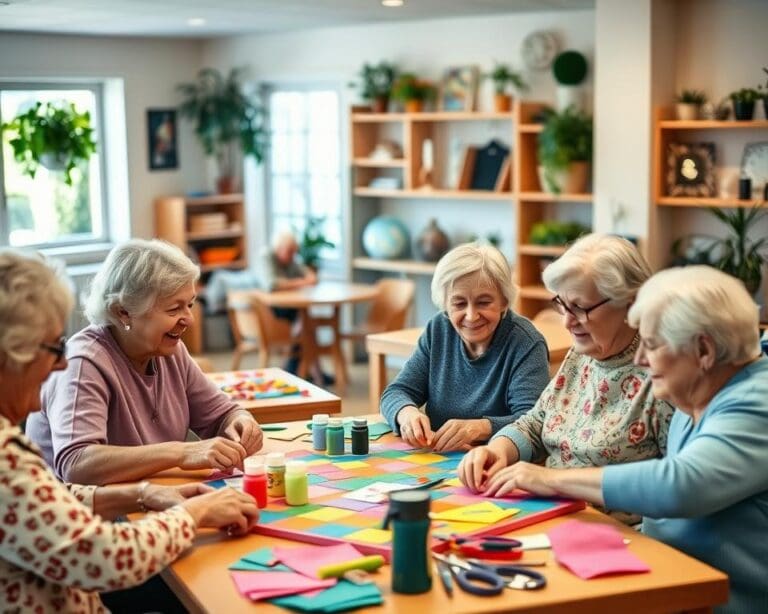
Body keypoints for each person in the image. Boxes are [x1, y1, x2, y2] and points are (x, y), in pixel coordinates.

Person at [475, 266, 767, 613]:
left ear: (704, 351)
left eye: (653, 345)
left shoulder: (755, 402)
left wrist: (548, 479)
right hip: (662, 578)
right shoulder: (699, 394)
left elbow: (680, 486)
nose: (641, 359)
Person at [0, 248, 259, 611]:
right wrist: (193, 511)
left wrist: (143, 494)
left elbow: (56, 499)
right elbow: (102, 558)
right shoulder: (6, 458)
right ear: (10, 354)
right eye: (52, 346)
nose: (60, 363)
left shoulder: (8, 450)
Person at [458, 234, 674, 522]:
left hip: (614, 534)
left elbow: (676, 488)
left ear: (630, 303)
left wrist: (548, 479)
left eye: (580, 308)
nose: (567, 321)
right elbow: (537, 423)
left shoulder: (665, 375)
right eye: (562, 304)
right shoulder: (583, 353)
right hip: (552, 513)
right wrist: (498, 450)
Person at [26, 239, 264, 485]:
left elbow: (221, 415)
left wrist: (241, 422)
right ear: (123, 312)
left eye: (190, 305)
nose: (189, 319)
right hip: (79, 516)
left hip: (142, 499)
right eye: (174, 309)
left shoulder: (171, 352)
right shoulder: (82, 363)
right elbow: (76, 464)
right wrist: (181, 453)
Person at [380, 242, 550, 452]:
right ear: (445, 303)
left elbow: (535, 423)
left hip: (496, 463)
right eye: (459, 304)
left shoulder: (526, 343)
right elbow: (396, 391)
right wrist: (406, 413)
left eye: (484, 302)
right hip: (439, 458)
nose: (471, 316)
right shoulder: (439, 329)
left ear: (504, 301)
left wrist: (481, 427)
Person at [261, 230, 332, 384]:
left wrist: (308, 277)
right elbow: (272, 285)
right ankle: (308, 370)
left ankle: (307, 369)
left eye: (294, 252)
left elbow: (310, 275)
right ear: (278, 248)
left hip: (289, 308)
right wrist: (303, 282)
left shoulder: (290, 260)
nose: (293, 256)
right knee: (305, 323)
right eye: (290, 251)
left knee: (307, 323)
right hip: (267, 312)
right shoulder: (266, 257)